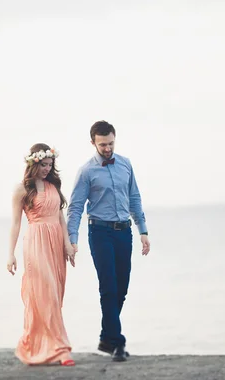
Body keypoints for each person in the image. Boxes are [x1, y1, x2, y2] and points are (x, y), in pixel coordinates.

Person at [67, 120, 151, 362]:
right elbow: (75, 208)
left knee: (121, 289)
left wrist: (142, 230)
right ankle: (118, 343)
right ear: (93, 142)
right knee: (109, 288)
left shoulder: (125, 164)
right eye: (102, 144)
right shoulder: (86, 171)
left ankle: (106, 337)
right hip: (100, 233)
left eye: (111, 143)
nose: (107, 148)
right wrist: (72, 240)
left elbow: (134, 197)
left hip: (124, 232)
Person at [7, 143, 77, 366]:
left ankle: (43, 346)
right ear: (33, 163)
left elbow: (60, 218)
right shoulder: (21, 189)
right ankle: (60, 349)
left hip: (56, 242)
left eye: (50, 164)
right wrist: (11, 254)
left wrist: (68, 244)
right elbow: (16, 224)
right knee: (45, 294)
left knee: (55, 294)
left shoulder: (53, 185)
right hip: (36, 243)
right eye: (44, 164)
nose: (47, 168)